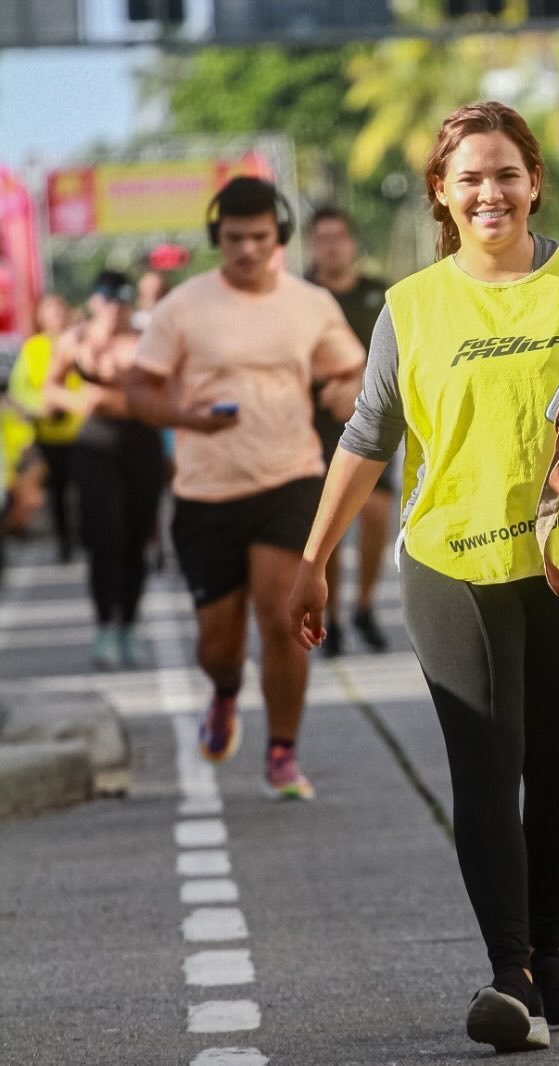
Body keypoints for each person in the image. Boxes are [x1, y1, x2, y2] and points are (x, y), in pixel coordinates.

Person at [287, 101, 559, 1053]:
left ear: (534, 181)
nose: (490, 192)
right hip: (453, 564)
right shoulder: (413, 307)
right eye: (469, 177)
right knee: (484, 762)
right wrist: (313, 560)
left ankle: (548, 959)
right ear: (442, 192)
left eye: (506, 173)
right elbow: (366, 440)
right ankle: (508, 975)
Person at [126, 176, 365, 801]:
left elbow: (351, 368)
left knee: (280, 616)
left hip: (288, 479)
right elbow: (140, 389)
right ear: (217, 238)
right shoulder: (184, 306)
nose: (249, 250)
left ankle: (283, 752)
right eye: (235, 238)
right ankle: (226, 691)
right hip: (205, 494)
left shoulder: (309, 303)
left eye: (261, 237)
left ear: (279, 236)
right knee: (219, 645)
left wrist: (346, 391)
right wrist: (187, 419)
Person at [45, 272, 166, 668]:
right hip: (96, 446)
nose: (115, 305)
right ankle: (104, 628)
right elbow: (49, 389)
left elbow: (169, 388)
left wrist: (122, 395)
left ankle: (128, 625)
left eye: (123, 297)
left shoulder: (147, 339)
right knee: (105, 537)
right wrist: (84, 400)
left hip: (142, 444)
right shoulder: (76, 341)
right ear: (94, 300)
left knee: (135, 537)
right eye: (108, 297)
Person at [306, 206, 392, 655]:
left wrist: (358, 388)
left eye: (340, 236)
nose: (332, 246)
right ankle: (332, 616)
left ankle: (363, 606)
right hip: (316, 426)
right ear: (311, 245)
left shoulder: (380, 293)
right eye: (323, 238)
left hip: (375, 422)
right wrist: (327, 387)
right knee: (332, 523)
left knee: (377, 513)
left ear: (352, 243)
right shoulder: (299, 296)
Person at [7, 292, 79, 561]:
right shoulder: (33, 348)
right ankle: (65, 541)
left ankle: (89, 537)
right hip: (48, 434)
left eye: (60, 310)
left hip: (82, 433)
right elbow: (19, 391)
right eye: (50, 311)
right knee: (57, 491)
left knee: (88, 489)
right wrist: (41, 407)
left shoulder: (80, 342)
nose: (56, 317)